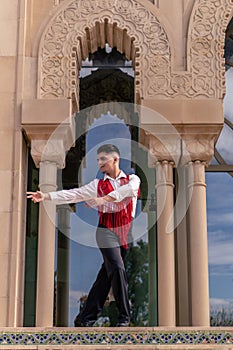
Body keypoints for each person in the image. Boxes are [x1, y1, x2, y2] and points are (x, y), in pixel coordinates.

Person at [27, 144, 140, 327]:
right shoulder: (97, 185)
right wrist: (46, 196)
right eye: (98, 160)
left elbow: (125, 192)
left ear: (115, 159)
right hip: (105, 231)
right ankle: (125, 317)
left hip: (125, 234)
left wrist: (103, 199)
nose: (100, 163)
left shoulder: (132, 180)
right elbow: (74, 194)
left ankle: (85, 318)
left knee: (106, 278)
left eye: (103, 159)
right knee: (118, 269)